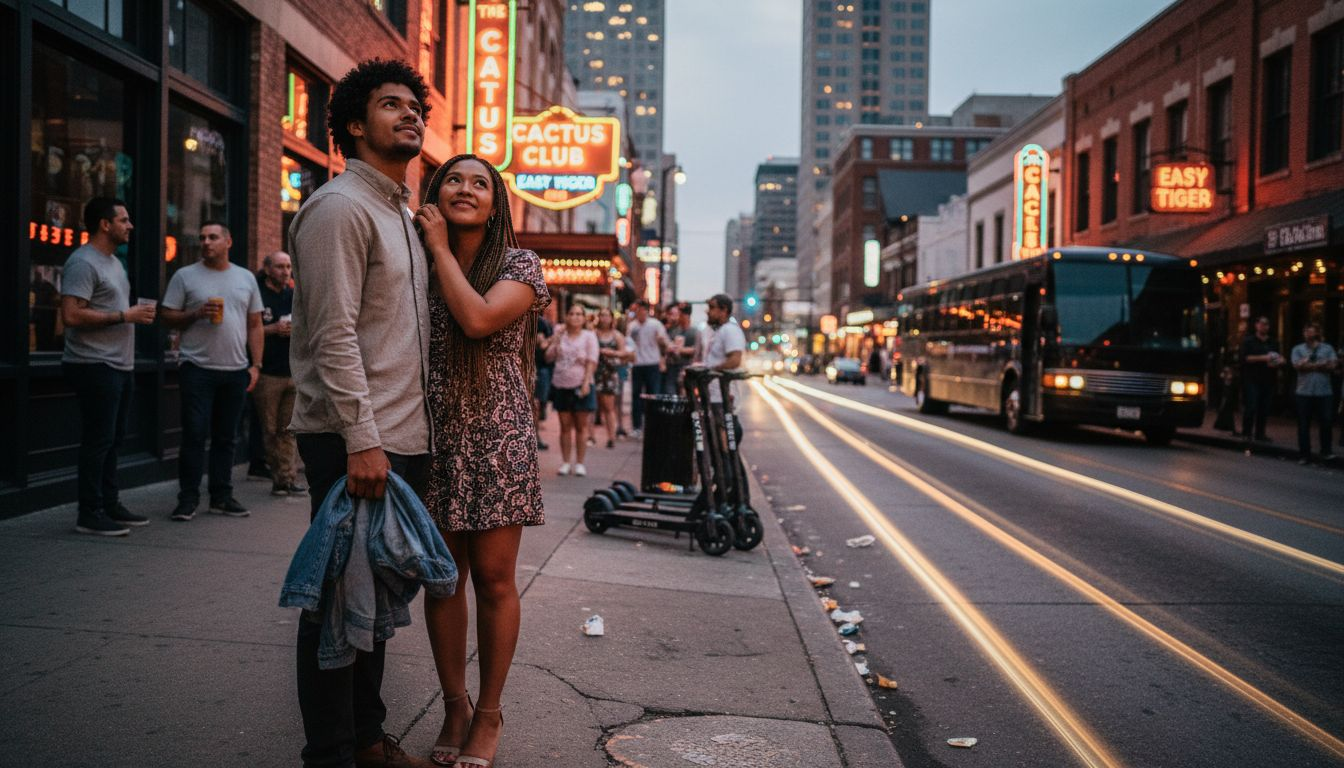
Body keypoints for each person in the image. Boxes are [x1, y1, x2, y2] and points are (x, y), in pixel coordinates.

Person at [287, 58, 437, 768]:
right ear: (354, 123)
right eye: (390, 105)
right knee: (335, 604)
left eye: (415, 106)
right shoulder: (341, 208)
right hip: (357, 440)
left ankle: (368, 737)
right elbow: (332, 334)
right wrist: (363, 440)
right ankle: (332, 752)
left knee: (371, 607)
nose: (410, 115)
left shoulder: (399, 215)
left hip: (396, 438)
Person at [414, 153, 549, 768]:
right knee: (443, 579)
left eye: (480, 183)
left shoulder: (521, 264)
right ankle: (454, 704)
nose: (465, 188)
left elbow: (476, 319)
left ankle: (489, 714)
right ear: (434, 191)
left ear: (496, 205)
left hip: (498, 438)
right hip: (432, 435)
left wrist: (438, 246)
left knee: (494, 580)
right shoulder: (412, 256)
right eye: (453, 180)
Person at [60, 197, 156, 536]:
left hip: (119, 365)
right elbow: (70, 315)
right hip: (93, 364)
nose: (130, 226)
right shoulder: (83, 262)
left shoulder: (113, 262)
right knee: (98, 440)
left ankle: (109, 503)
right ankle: (90, 513)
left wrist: (129, 316)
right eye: (124, 220)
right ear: (105, 224)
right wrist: (124, 316)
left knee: (113, 439)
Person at [160, 221, 263, 521]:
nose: (206, 242)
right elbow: (166, 316)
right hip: (197, 368)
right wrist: (194, 313)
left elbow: (255, 324)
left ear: (228, 242)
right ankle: (188, 498)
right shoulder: (185, 276)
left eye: (213, 237)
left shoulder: (245, 278)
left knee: (226, 437)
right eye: (203, 237)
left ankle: (221, 495)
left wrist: (255, 366)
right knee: (193, 435)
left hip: (234, 369)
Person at [254, 251, 306, 496]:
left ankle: (286, 479)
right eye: (280, 267)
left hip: (291, 371)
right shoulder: (258, 295)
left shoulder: (294, 296)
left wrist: (295, 330)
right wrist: (272, 329)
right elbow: (247, 331)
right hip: (267, 373)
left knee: (288, 429)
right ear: (267, 269)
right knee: (270, 429)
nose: (286, 272)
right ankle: (274, 474)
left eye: (288, 267)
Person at [547, 304, 599, 475]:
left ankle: (580, 463)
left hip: (581, 384)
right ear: (566, 316)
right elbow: (548, 356)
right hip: (561, 383)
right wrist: (555, 339)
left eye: (579, 314)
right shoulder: (560, 334)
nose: (575, 317)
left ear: (584, 318)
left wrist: (586, 383)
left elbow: (592, 361)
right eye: (572, 313)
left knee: (581, 426)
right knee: (564, 425)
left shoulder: (589, 336)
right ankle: (566, 461)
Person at [1291, 322, 1338, 463]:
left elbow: (1333, 365)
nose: (1308, 334)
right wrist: (1319, 365)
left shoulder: (1327, 348)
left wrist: (1309, 365)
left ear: (1317, 333)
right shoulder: (1298, 349)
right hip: (1304, 392)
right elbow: (1297, 365)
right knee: (1303, 424)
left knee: (1326, 421)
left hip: (1324, 392)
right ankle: (1304, 455)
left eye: (1311, 332)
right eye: (1306, 331)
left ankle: (1326, 451)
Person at [625, 299, 668, 436]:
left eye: (641, 309)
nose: (639, 312)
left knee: (652, 395)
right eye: (637, 309)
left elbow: (664, 341)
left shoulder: (656, 324)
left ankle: (653, 425)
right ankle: (637, 426)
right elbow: (629, 344)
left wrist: (662, 356)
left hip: (652, 364)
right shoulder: (632, 326)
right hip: (637, 364)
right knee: (636, 397)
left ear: (646, 310)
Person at [1239, 316, 1282, 443]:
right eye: (1262, 324)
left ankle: (1260, 433)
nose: (1264, 327)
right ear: (1256, 325)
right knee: (1251, 405)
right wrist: (1263, 358)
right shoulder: (1249, 341)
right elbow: (1245, 358)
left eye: (1267, 324)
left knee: (1264, 407)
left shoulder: (1273, 342)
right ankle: (1246, 432)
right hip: (1252, 378)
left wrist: (1279, 361)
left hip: (1268, 378)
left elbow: (1277, 357)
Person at [594, 307, 629, 449]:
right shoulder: (593, 334)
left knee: (609, 406)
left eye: (607, 315)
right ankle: (590, 436)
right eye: (601, 315)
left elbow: (624, 354)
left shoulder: (617, 335)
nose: (604, 318)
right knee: (593, 406)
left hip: (610, 372)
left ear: (611, 318)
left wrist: (611, 353)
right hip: (595, 371)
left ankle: (611, 437)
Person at [662, 302, 698, 395]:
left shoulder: (694, 332)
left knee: (684, 393)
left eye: (681, 314)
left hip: (686, 367)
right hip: (672, 367)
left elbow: (696, 350)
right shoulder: (673, 330)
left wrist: (680, 350)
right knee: (670, 391)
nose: (679, 316)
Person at [534, 312, 555, 451]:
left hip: (540, 367)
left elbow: (542, 344)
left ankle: (535, 436)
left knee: (537, 404)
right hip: (532, 367)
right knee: (534, 404)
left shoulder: (540, 322)